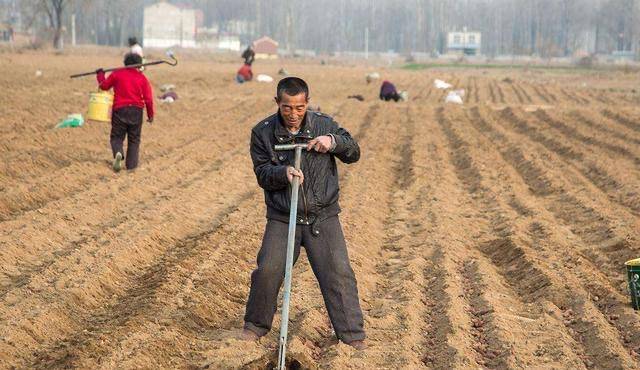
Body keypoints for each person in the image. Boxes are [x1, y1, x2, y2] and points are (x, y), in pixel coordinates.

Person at [241, 77, 366, 349]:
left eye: (299, 108)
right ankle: (255, 326)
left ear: (307, 103)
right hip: (283, 217)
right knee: (268, 270)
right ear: (278, 103)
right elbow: (262, 173)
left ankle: (352, 335)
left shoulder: (324, 124)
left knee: (338, 273)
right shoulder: (262, 133)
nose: (294, 114)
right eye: (287, 107)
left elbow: (353, 151)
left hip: (322, 216)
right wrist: (282, 173)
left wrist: (332, 142)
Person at [96, 53, 154, 172]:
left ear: (125, 63)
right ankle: (131, 167)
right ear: (139, 64)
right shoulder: (142, 78)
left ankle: (118, 152)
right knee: (134, 139)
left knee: (117, 137)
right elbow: (148, 99)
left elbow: (104, 86)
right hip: (136, 111)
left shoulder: (117, 74)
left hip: (120, 110)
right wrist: (150, 114)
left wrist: (100, 75)